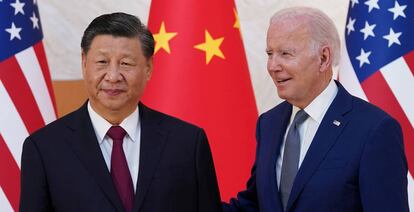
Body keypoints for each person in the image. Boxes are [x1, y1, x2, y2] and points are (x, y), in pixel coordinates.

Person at [19, 12, 221, 212]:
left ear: (148, 68)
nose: (113, 76)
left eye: (126, 63)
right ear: (84, 63)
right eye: (102, 62)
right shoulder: (43, 149)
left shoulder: (188, 143)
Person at [223, 6, 409, 212]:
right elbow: (254, 205)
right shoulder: (269, 123)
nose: (273, 65)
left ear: (323, 58)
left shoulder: (374, 130)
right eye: (270, 53)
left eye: (285, 53)